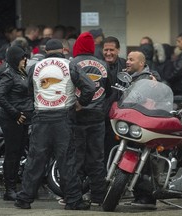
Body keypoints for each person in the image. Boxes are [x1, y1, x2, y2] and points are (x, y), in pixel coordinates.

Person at [15, 39, 95, 210]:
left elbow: (28, 90)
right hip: (63, 118)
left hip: (41, 117)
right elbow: (89, 87)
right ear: (63, 50)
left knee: (35, 160)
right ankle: (73, 200)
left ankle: (24, 199)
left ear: (45, 51)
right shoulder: (70, 65)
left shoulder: (35, 67)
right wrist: (81, 103)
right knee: (67, 161)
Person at [70, 32, 109, 206]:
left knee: (76, 158)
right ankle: (98, 197)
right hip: (98, 117)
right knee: (97, 159)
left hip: (77, 116)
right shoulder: (103, 64)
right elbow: (108, 89)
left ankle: (75, 196)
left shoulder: (72, 63)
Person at [0, 45, 33, 201]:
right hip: (12, 120)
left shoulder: (21, 73)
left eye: (25, 57)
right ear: (16, 58)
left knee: (18, 154)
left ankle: (14, 187)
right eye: (22, 57)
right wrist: (15, 113)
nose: (25, 59)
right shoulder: (9, 74)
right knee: (12, 154)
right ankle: (9, 190)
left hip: (22, 120)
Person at [124, 50, 160, 210]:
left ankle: (146, 196)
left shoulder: (148, 79)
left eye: (131, 60)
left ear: (141, 63)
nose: (127, 62)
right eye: (127, 59)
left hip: (142, 126)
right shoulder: (130, 77)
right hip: (130, 124)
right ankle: (140, 194)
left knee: (143, 161)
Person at [102, 36, 126, 165]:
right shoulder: (98, 64)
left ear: (118, 50)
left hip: (121, 113)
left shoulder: (125, 64)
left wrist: (153, 76)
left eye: (112, 50)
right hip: (103, 113)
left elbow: (143, 69)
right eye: (106, 50)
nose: (108, 53)